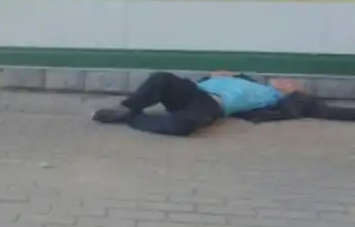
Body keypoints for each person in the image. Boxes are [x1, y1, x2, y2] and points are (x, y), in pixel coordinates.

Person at [91, 71, 355, 136]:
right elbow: (212, 76)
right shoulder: (243, 78)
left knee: (184, 126)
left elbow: (331, 111)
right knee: (162, 78)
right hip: (194, 92)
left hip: (213, 105)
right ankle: (127, 108)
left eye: (291, 82)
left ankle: (132, 119)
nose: (285, 80)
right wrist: (219, 75)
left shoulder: (277, 99)